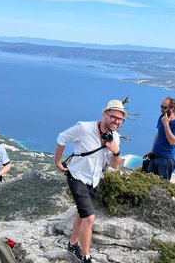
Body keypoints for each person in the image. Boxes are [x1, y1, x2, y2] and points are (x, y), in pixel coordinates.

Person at [55, 99, 125, 263]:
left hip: (94, 180)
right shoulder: (84, 128)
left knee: (82, 212)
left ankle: (73, 244)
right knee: (89, 218)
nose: (116, 121)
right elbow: (61, 138)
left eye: (120, 119)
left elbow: (114, 166)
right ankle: (85, 256)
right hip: (77, 176)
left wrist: (116, 152)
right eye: (113, 116)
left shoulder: (115, 138)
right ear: (104, 114)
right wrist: (57, 162)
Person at [144, 96, 175, 180]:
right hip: (155, 156)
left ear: (172, 108)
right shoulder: (162, 117)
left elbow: (172, 141)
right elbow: (158, 134)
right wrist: (152, 150)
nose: (162, 109)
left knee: (162, 185)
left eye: (164, 107)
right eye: (161, 106)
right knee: (148, 180)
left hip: (166, 160)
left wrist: (166, 124)